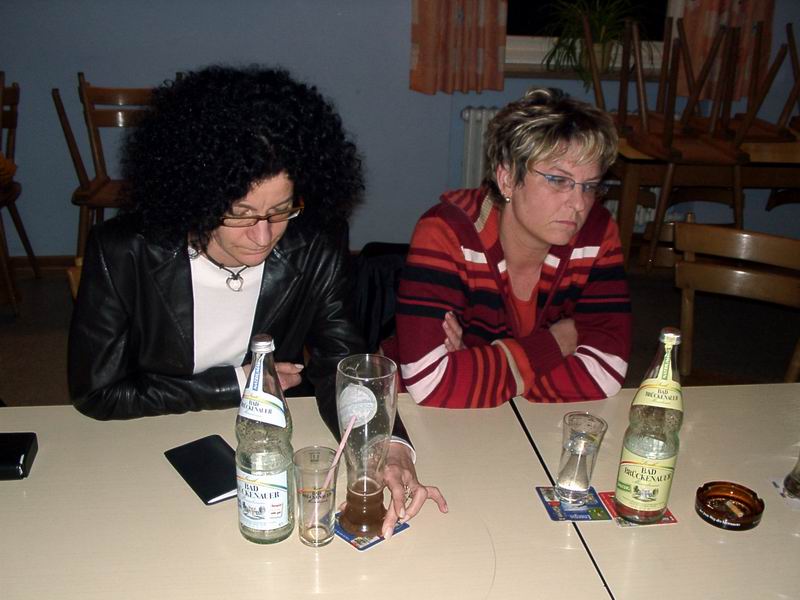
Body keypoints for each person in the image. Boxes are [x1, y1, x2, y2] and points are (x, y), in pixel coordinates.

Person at [68, 65, 446, 536]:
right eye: (240, 213)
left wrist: (385, 447)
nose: (264, 236)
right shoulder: (123, 252)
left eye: (280, 210)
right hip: (147, 449)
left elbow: (340, 364)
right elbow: (98, 392)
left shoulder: (314, 242)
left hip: (272, 453)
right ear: (195, 198)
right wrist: (240, 383)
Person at [390, 88, 632, 408]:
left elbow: (606, 371)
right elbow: (429, 381)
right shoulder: (446, 231)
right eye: (558, 180)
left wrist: (477, 368)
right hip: (412, 414)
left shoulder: (597, 232)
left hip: (520, 416)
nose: (578, 204)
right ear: (506, 179)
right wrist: (556, 344)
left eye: (589, 186)